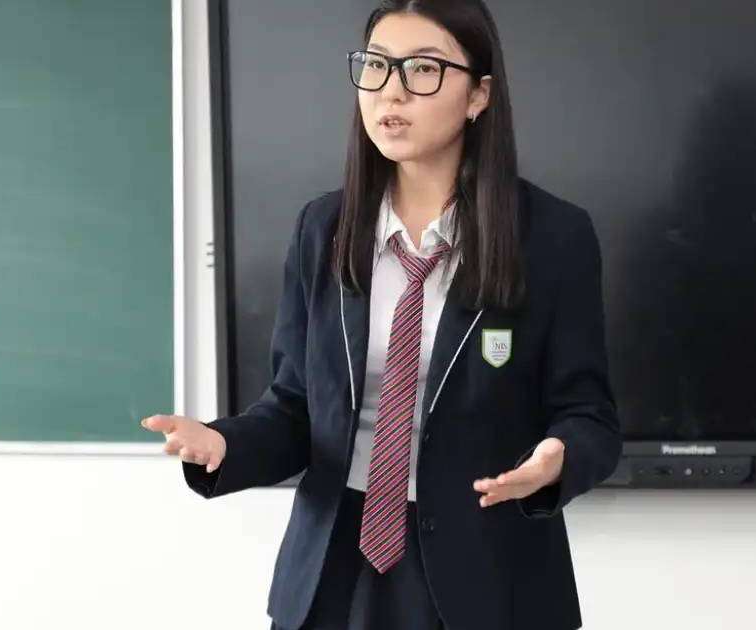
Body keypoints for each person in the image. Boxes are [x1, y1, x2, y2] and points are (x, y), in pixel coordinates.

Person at [141, 1, 620, 628]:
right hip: (336, 570)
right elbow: (293, 410)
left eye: (422, 69)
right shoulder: (324, 228)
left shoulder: (551, 237)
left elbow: (591, 417)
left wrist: (557, 458)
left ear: (479, 96)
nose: (391, 91)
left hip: (490, 577)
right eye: (376, 66)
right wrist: (223, 443)